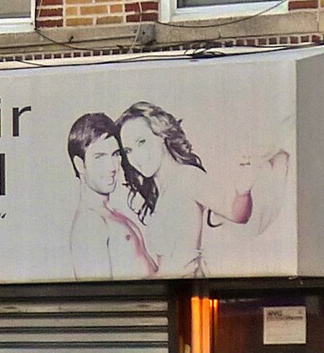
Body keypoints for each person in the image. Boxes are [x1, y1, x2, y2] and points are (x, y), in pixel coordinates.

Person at [115, 100, 270, 277]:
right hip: (173, 288)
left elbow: (237, 214)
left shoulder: (187, 177)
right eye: (128, 150)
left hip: (189, 287)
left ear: (161, 135)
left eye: (141, 142)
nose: (137, 157)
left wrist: (243, 192)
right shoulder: (160, 192)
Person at [66, 111, 157, 280]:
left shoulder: (112, 215)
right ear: (79, 164)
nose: (112, 167)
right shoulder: (89, 223)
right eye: (100, 157)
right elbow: (99, 294)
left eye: (115, 154)